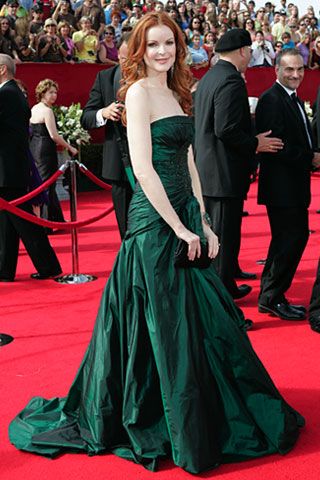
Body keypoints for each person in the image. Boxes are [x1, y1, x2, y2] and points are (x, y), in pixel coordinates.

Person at [9, 14, 304, 473]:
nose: (162, 52)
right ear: (139, 50)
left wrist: (203, 222)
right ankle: (163, 416)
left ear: (179, 47)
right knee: (161, 322)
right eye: (153, 45)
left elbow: (188, 162)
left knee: (200, 319)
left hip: (185, 213)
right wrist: (179, 229)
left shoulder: (175, 91)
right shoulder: (139, 93)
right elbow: (143, 169)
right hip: (154, 223)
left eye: (169, 43)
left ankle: (203, 409)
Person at [194, 28, 283, 299]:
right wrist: (255, 143)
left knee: (223, 235)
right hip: (223, 173)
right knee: (222, 238)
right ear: (243, 51)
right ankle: (223, 303)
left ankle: (228, 282)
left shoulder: (210, 77)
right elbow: (227, 129)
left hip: (211, 170)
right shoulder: (231, 81)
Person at [255, 48, 320, 320]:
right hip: (282, 187)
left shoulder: (290, 97)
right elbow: (276, 146)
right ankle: (271, 296)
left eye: (300, 69)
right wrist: (311, 158)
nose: (295, 75)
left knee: (289, 240)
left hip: (292, 186)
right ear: (277, 70)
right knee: (289, 241)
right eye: (289, 69)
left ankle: (271, 295)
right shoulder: (272, 99)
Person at [0, 54, 62, 281]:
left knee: (24, 219)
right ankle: (4, 269)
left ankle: (49, 266)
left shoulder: (6, 94)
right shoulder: (14, 94)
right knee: (7, 220)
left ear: (2, 70)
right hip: (10, 167)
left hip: (7, 169)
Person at [81, 32, 132, 239]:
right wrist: (104, 113)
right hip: (120, 166)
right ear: (117, 55)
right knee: (126, 230)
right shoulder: (105, 78)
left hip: (155, 162)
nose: (127, 63)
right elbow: (86, 117)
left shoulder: (155, 77)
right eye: (123, 57)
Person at [30, 79, 77, 223]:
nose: (54, 95)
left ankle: (52, 219)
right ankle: (46, 221)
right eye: (50, 92)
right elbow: (54, 135)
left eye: (55, 92)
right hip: (45, 151)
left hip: (35, 147)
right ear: (42, 93)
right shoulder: (47, 111)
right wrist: (70, 147)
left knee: (43, 183)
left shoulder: (34, 108)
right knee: (46, 184)